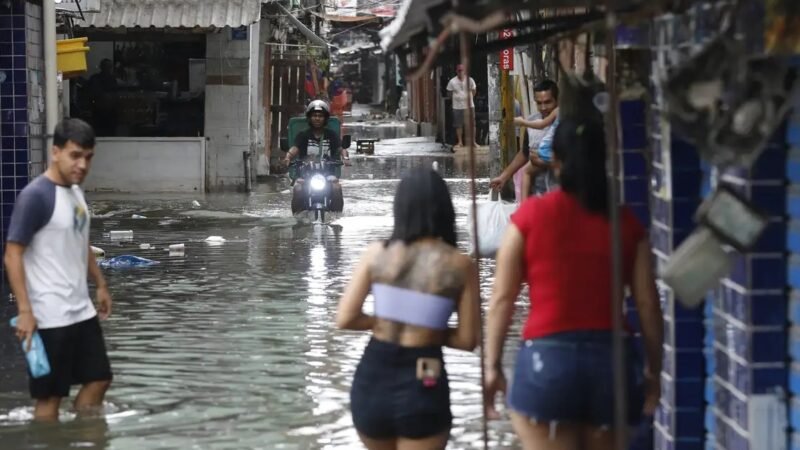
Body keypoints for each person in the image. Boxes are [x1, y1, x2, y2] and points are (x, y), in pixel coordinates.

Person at [483, 118, 663, 450]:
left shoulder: (530, 218)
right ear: (604, 158)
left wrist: (492, 366)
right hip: (612, 364)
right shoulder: (625, 222)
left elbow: (501, 299)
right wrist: (653, 368)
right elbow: (649, 304)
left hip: (545, 366)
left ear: (557, 160)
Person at [337, 169, 479, 450]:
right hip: (424, 376)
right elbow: (467, 340)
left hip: (373, 378)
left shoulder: (377, 254)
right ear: (444, 208)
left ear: (399, 207)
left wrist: (387, 319)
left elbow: (345, 318)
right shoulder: (459, 265)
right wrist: (426, 327)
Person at [4, 118, 113, 421]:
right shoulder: (35, 196)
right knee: (50, 398)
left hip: (81, 310)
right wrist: (25, 310)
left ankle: (81, 434)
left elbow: (81, 240)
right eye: (75, 155)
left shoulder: (76, 191)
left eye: (88, 157)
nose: (82, 164)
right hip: (48, 316)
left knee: (100, 378)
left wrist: (100, 284)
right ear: (56, 152)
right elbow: (12, 255)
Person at [490, 80, 560, 199]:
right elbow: (524, 153)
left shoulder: (567, 123)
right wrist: (504, 177)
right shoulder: (531, 121)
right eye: (539, 103)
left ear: (557, 100)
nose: (543, 107)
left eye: (548, 102)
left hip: (560, 194)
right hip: (536, 195)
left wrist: (542, 161)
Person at [284, 100, 350, 214]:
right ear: (310, 118)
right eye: (314, 115)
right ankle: (297, 218)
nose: (317, 118)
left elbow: (341, 149)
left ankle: (337, 217)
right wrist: (288, 157)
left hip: (327, 174)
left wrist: (346, 158)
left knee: (337, 188)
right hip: (306, 175)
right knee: (297, 189)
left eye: (320, 116)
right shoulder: (303, 135)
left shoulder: (331, 135)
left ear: (325, 118)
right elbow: (295, 148)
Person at [446, 64, 477, 148]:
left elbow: (474, 91)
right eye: (459, 71)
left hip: (469, 105)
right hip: (457, 106)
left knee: (472, 124)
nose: (460, 72)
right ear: (456, 71)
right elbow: (449, 93)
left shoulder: (470, 80)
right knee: (458, 125)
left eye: (462, 71)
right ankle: (460, 142)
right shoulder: (452, 81)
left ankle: (473, 142)